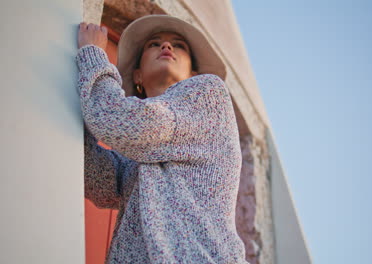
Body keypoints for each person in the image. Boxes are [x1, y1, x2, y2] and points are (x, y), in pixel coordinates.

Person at [76, 15, 248, 263]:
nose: (166, 47)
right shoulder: (141, 151)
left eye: (179, 45)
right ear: (137, 76)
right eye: (153, 44)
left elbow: (119, 121)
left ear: (194, 75)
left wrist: (92, 56)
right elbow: (96, 180)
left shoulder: (209, 95)